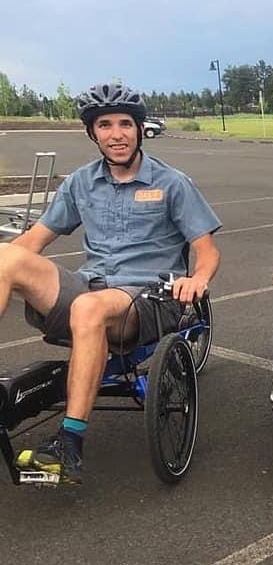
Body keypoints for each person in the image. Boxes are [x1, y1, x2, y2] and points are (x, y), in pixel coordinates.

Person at [2, 82, 222, 484]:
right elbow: (32, 242)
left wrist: (198, 279)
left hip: (150, 297)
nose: (116, 134)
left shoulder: (173, 183)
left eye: (125, 124)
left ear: (140, 130)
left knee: (89, 307)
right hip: (91, 286)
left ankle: (69, 446)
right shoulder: (81, 183)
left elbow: (207, 250)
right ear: (93, 133)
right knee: (6, 257)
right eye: (105, 125)